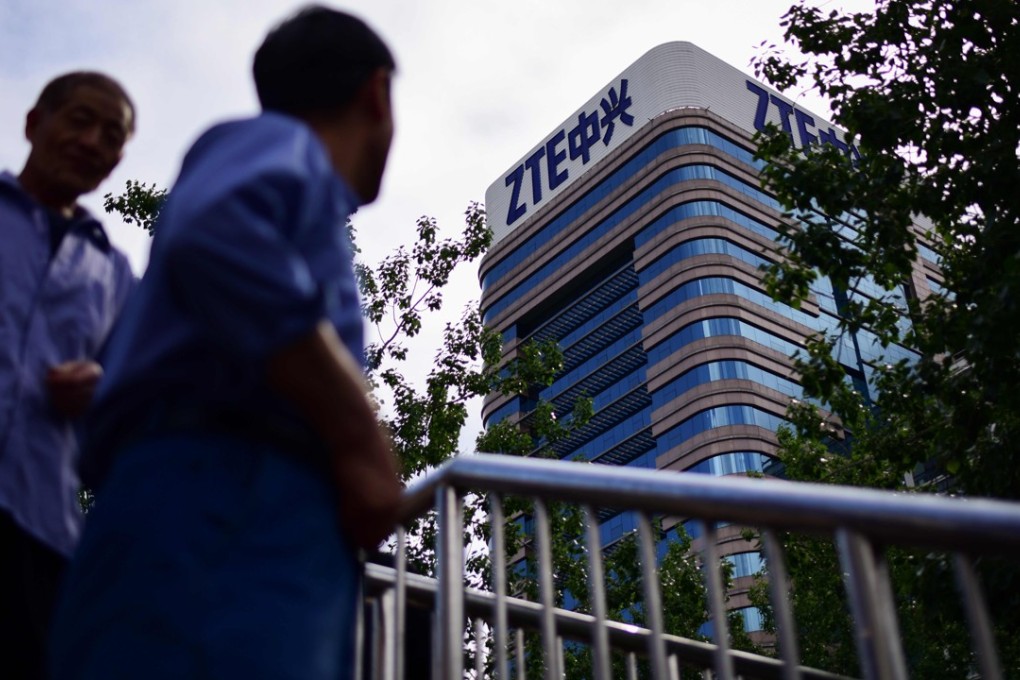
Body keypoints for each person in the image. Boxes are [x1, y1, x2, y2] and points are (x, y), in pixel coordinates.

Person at [48, 6, 403, 679]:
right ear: (376, 94)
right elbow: (217, 233)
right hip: (233, 502)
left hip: (213, 512)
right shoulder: (282, 144)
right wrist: (358, 437)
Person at [0, 72, 135, 679]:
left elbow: (136, 394)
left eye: (112, 136)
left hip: (40, 528)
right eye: (79, 120)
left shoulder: (113, 272)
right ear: (34, 123)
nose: (92, 142)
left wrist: (100, 384)